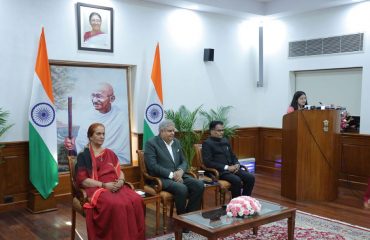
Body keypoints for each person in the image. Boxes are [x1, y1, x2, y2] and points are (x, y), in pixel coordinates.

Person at [75, 123, 145, 240]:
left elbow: (119, 171)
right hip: (98, 188)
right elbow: (83, 180)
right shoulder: (83, 156)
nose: (102, 136)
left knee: (137, 200)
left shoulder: (110, 153)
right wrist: (104, 185)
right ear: (90, 136)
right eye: (98, 134)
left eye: (103, 134)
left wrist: (121, 181)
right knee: (117, 205)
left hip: (116, 185)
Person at [144, 120, 204, 216]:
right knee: (182, 188)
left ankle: (190, 216)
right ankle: (181, 219)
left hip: (179, 175)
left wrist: (180, 171)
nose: (172, 133)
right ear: (161, 131)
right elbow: (152, 166)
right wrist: (172, 175)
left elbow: (184, 161)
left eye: (173, 131)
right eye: (169, 131)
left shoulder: (176, 142)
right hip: (161, 178)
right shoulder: (151, 143)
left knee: (199, 185)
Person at [64, 82, 130, 164]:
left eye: (99, 96)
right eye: (93, 96)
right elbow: (81, 145)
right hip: (93, 163)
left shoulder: (122, 116)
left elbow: (125, 150)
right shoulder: (87, 116)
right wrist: (72, 145)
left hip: (117, 163)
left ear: (112, 99)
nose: (94, 100)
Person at [202, 120, 255, 199]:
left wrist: (237, 164)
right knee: (236, 180)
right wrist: (227, 167)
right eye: (219, 130)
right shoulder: (207, 143)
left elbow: (233, 155)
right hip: (219, 171)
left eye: (223, 130)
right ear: (212, 131)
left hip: (233, 169)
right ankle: (235, 204)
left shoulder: (225, 140)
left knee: (250, 177)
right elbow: (208, 162)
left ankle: (244, 201)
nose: (222, 132)